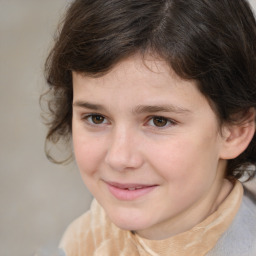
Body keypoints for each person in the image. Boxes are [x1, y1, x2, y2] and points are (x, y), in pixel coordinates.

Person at [43, 0, 256, 255]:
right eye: (96, 118)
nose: (119, 158)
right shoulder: (81, 239)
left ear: (235, 130)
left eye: (159, 121)